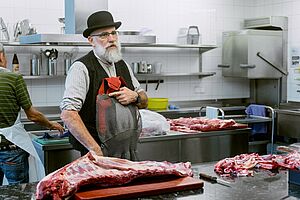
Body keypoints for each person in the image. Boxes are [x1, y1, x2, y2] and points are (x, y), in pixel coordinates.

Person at [60, 11, 148, 160]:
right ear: (91, 41)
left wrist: (135, 96)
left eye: (114, 33)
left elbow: (145, 101)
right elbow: (68, 114)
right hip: (96, 154)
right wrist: (96, 151)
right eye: (103, 35)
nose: (111, 39)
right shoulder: (81, 68)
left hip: (128, 150)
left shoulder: (123, 65)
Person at [0, 43, 64, 185]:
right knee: (19, 192)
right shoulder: (13, 79)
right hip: (11, 149)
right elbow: (32, 115)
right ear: (1, 56)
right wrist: (50, 124)